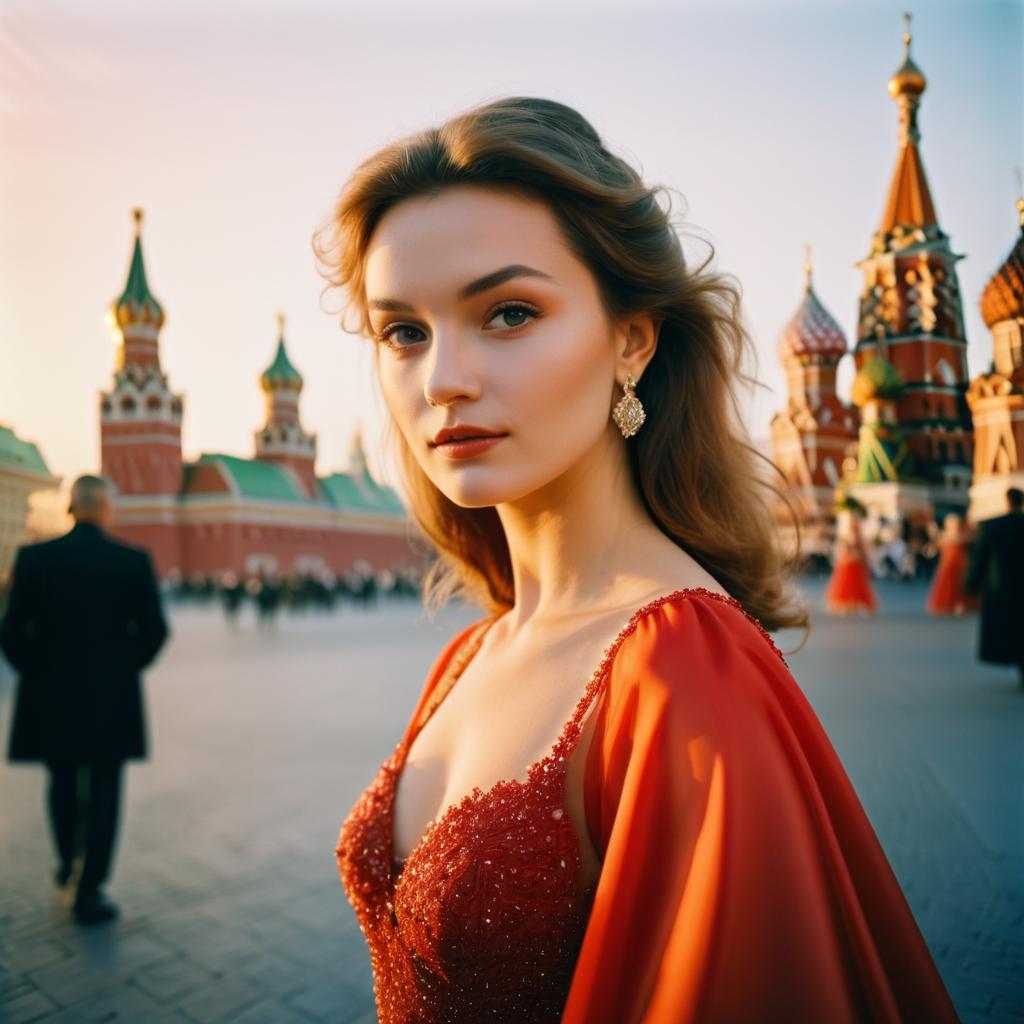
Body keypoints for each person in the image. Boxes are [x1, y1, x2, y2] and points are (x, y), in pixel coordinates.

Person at [320, 97, 958, 1021]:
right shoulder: (470, 652)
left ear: (632, 338)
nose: (441, 378)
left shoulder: (684, 673)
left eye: (506, 312)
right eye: (403, 332)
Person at [0, 475, 169, 923]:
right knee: (105, 787)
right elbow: (155, 632)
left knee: (61, 781)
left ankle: (66, 864)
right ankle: (90, 888)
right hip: (111, 700)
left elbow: (11, 631)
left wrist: (37, 674)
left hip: (50, 697)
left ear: (71, 508)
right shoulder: (130, 561)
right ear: (106, 509)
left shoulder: (35, 558)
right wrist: (121, 670)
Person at [964, 486, 1024, 687]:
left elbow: (980, 557)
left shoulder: (992, 526)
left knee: (1011, 627)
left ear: (1007, 501)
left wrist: (971, 583)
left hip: (1002, 586)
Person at [825, 508, 879, 616]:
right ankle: (847, 605)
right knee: (847, 585)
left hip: (853, 561)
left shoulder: (857, 534)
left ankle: (853, 604)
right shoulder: (846, 533)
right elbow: (843, 547)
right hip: (848, 561)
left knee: (853, 585)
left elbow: (861, 548)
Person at [927, 513, 979, 616]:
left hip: (958, 563)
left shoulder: (954, 535)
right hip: (952, 564)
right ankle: (955, 604)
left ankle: (960, 604)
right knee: (953, 585)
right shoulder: (951, 536)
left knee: (958, 585)